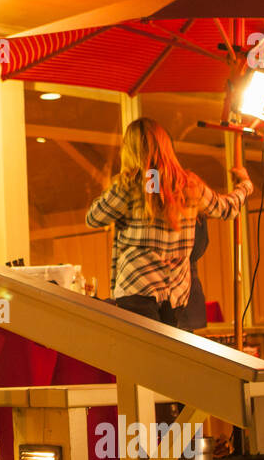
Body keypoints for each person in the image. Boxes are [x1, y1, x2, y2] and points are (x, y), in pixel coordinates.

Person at [86, 117, 251, 325]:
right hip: (175, 298)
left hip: (137, 288)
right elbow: (227, 209)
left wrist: (120, 185)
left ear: (130, 150)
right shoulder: (190, 185)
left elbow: (94, 218)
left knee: (141, 356)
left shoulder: (129, 186)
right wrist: (244, 184)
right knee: (166, 356)